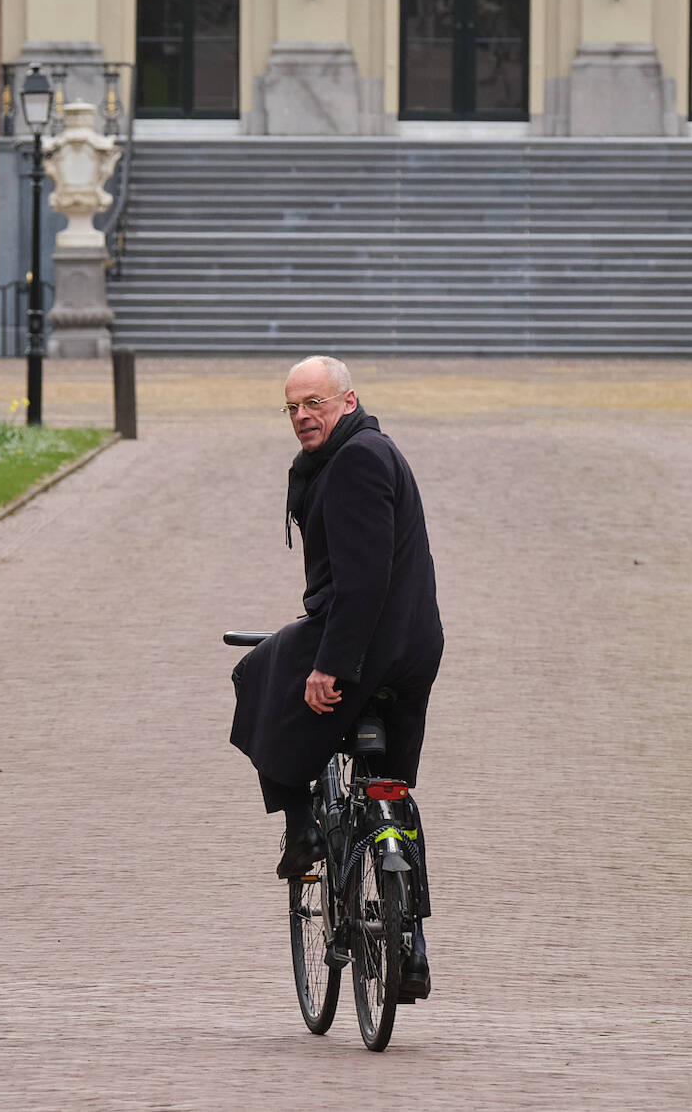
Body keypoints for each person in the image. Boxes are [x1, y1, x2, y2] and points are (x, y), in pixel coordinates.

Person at [229, 354, 443, 998]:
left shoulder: (354, 463)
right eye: (292, 407)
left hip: (362, 642)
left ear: (347, 401)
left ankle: (303, 830)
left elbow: (363, 579)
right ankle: (411, 947)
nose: (301, 417)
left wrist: (331, 666)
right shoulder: (377, 451)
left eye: (313, 403)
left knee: (258, 674)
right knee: (392, 791)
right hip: (413, 649)